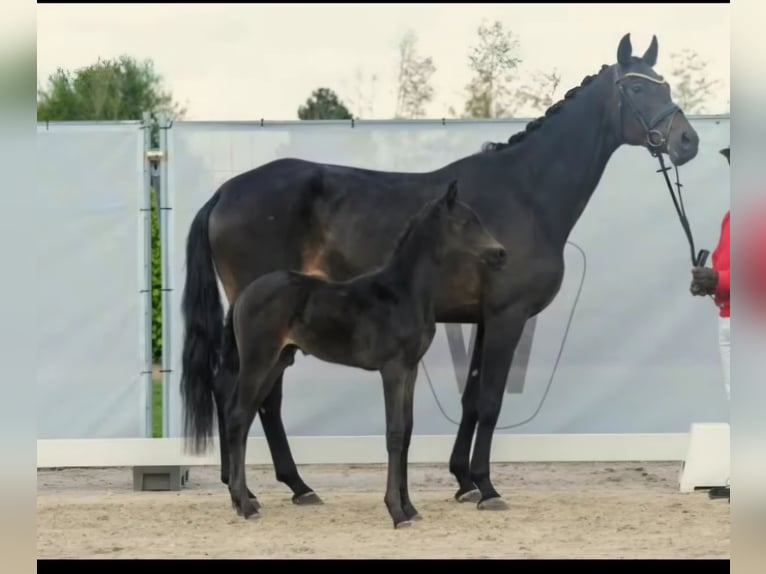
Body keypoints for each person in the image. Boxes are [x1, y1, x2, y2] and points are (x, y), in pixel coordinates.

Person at [689, 146, 730, 502]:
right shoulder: (734, 216)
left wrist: (717, 279)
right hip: (730, 315)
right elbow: (721, 261)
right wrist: (707, 281)